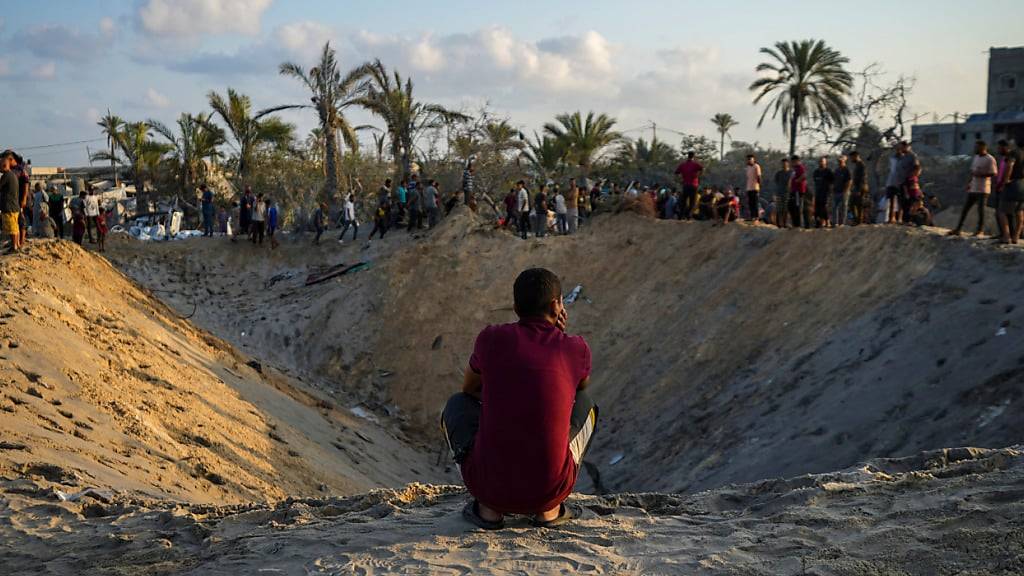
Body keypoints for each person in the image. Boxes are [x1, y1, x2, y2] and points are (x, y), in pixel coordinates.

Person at [441, 268, 598, 529]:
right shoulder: (575, 347)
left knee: (456, 405)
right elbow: (580, 387)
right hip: (550, 490)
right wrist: (560, 336)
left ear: (515, 307)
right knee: (587, 404)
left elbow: (468, 389)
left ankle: (489, 511)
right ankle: (549, 511)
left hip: (488, 488)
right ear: (557, 304)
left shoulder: (491, 338)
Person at [949, 140, 998, 237]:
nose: (975, 149)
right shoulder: (976, 157)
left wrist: (981, 175)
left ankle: (980, 230)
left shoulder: (990, 159)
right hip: (974, 187)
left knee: (981, 210)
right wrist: (970, 182)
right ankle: (958, 228)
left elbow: (994, 173)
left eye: (977, 147)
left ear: (983, 148)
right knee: (965, 209)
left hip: (983, 189)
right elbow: (973, 171)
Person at [996, 139, 1022, 244]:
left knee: (1001, 211)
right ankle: (1016, 237)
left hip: (1014, 184)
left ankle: (1006, 236)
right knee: (1020, 212)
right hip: (1023, 184)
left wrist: (1006, 180)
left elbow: (1010, 165)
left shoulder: (1015, 153)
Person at [0, 150, 21, 253]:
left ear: (4, 166)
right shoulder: (12, 175)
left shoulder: (6, 176)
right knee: (15, 227)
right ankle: (16, 245)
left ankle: (14, 247)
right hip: (14, 206)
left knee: (12, 228)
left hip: (9, 206)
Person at [675, 151, 703, 220]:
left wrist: (680, 179)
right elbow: (702, 168)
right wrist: (698, 176)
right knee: (692, 201)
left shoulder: (683, 164)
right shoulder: (695, 164)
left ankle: (681, 216)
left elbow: (676, 172)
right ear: (693, 156)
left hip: (685, 185)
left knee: (684, 201)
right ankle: (689, 216)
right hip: (694, 185)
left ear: (688, 156)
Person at [812, 157, 835, 228]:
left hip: (826, 193)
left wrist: (830, 190)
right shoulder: (816, 172)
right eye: (820, 161)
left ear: (825, 162)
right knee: (817, 208)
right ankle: (819, 222)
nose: (821, 163)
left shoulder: (828, 171)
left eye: (822, 161)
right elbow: (815, 182)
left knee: (824, 207)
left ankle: (827, 221)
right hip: (818, 192)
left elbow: (833, 181)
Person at [832, 155, 852, 227]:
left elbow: (849, 181)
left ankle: (842, 223)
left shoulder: (846, 170)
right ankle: (835, 223)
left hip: (844, 192)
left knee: (844, 207)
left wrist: (846, 191)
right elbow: (833, 180)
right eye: (839, 161)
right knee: (835, 207)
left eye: (841, 161)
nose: (839, 162)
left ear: (844, 161)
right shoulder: (836, 170)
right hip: (836, 191)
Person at [849, 151, 869, 224]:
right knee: (852, 204)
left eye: (852, 157)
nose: (851, 159)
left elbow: (863, 178)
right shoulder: (857, 165)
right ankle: (856, 220)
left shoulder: (861, 165)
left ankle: (859, 221)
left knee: (859, 204)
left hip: (861, 187)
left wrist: (859, 189)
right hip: (856, 187)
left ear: (856, 156)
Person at [773, 158, 792, 228]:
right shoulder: (779, 173)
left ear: (788, 164)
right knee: (779, 209)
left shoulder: (791, 173)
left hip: (788, 193)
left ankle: (785, 223)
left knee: (786, 209)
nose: (783, 165)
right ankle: (778, 224)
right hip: (779, 193)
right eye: (782, 164)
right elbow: (776, 181)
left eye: (785, 163)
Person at [789, 156, 807, 228]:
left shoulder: (800, 167)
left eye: (793, 161)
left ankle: (799, 224)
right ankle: (795, 223)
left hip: (798, 191)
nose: (792, 163)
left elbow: (804, 176)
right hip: (794, 190)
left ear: (797, 161)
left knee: (798, 207)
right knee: (792, 206)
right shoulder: (794, 169)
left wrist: (797, 181)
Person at [744, 154, 762, 222]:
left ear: (753, 159)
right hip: (749, 188)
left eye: (750, 159)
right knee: (750, 203)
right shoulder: (747, 167)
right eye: (748, 159)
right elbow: (748, 178)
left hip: (755, 187)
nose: (748, 160)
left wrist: (759, 185)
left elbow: (759, 176)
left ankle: (756, 217)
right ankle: (752, 216)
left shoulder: (756, 166)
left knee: (755, 203)